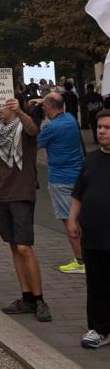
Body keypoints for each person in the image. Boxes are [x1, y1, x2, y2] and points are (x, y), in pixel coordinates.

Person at [0, 97, 52, 322]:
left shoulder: (24, 127)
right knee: (14, 246)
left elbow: (34, 130)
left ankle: (40, 299)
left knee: (25, 247)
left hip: (22, 193)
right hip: (3, 194)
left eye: (2, 105)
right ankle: (26, 297)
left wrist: (20, 111)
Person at [68, 109, 110, 348]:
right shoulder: (91, 159)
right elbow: (78, 193)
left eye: (106, 127)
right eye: (100, 127)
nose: (101, 131)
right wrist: (73, 220)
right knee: (96, 283)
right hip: (93, 235)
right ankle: (98, 328)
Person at [33, 92, 86, 274]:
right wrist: (44, 101)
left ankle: (80, 261)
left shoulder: (50, 127)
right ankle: (89, 257)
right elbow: (54, 104)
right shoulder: (70, 119)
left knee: (69, 221)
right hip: (78, 175)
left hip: (60, 178)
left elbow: (36, 143)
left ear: (48, 107)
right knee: (82, 219)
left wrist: (37, 116)